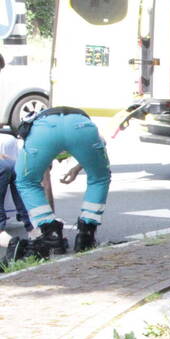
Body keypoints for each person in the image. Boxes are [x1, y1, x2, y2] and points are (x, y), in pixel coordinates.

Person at [15, 108, 111, 253]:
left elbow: (44, 184)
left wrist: (47, 221)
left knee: (26, 182)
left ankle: (51, 234)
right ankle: (86, 234)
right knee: (100, 178)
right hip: (81, 126)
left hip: (45, 130)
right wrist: (78, 167)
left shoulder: (38, 136)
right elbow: (101, 144)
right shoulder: (80, 126)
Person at [0, 132, 31, 233]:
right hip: (11, 164)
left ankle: (1, 225)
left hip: (3, 166)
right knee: (21, 198)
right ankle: (31, 227)